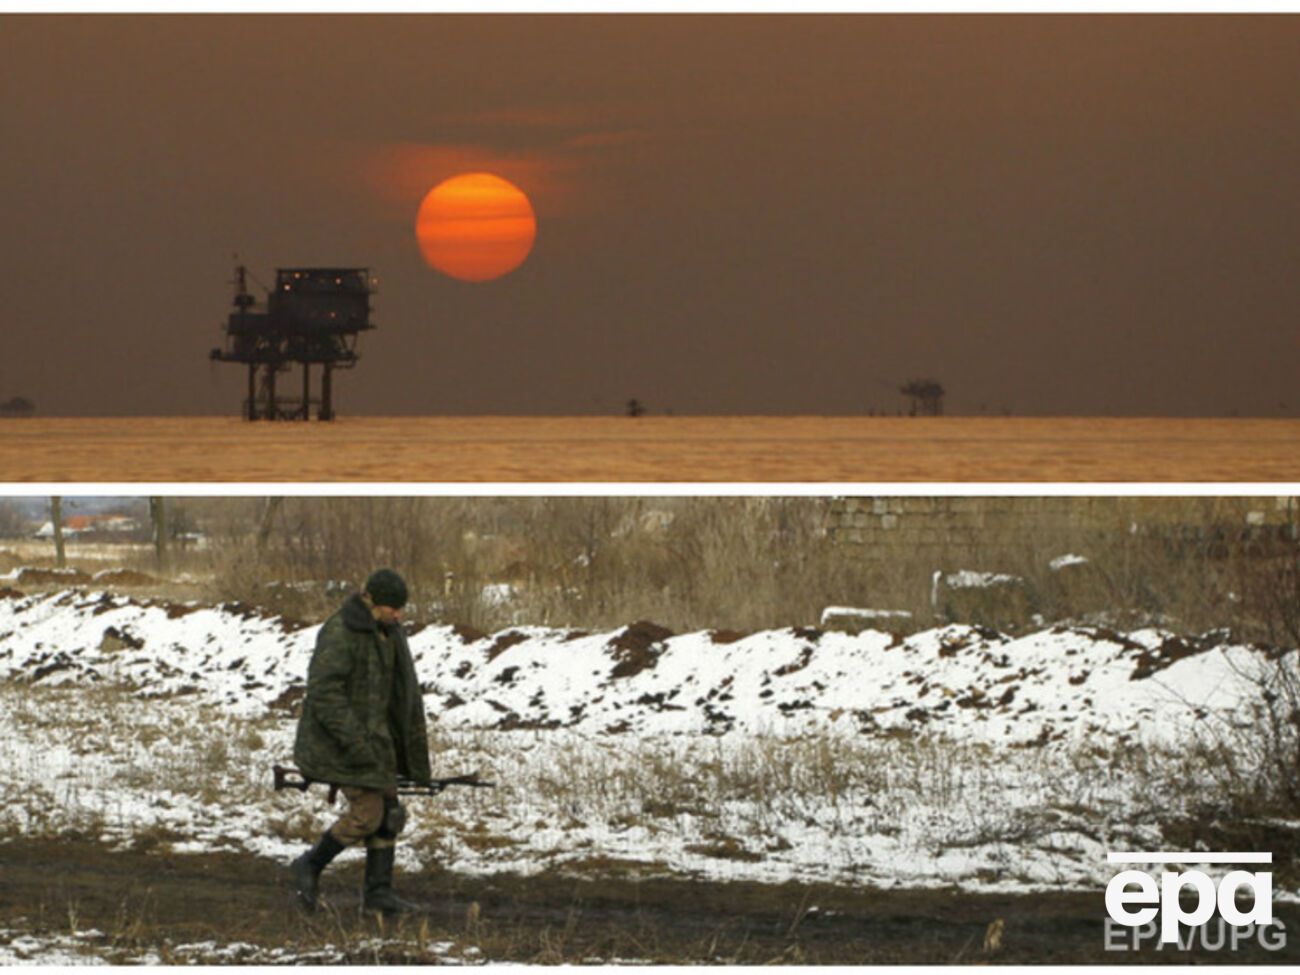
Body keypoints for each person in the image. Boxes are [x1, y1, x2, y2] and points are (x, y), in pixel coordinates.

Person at [288, 568, 432, 915]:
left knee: (390, 814)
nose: (399, 615)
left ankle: (378, 895)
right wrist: (355, 741)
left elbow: (398, 691)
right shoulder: (340, 632)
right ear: (372, 601)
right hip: (337, 743)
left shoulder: (388, 631)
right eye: (393, 608)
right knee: (368, 815)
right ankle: (309, 864)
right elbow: (324, 695)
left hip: (376, 741)